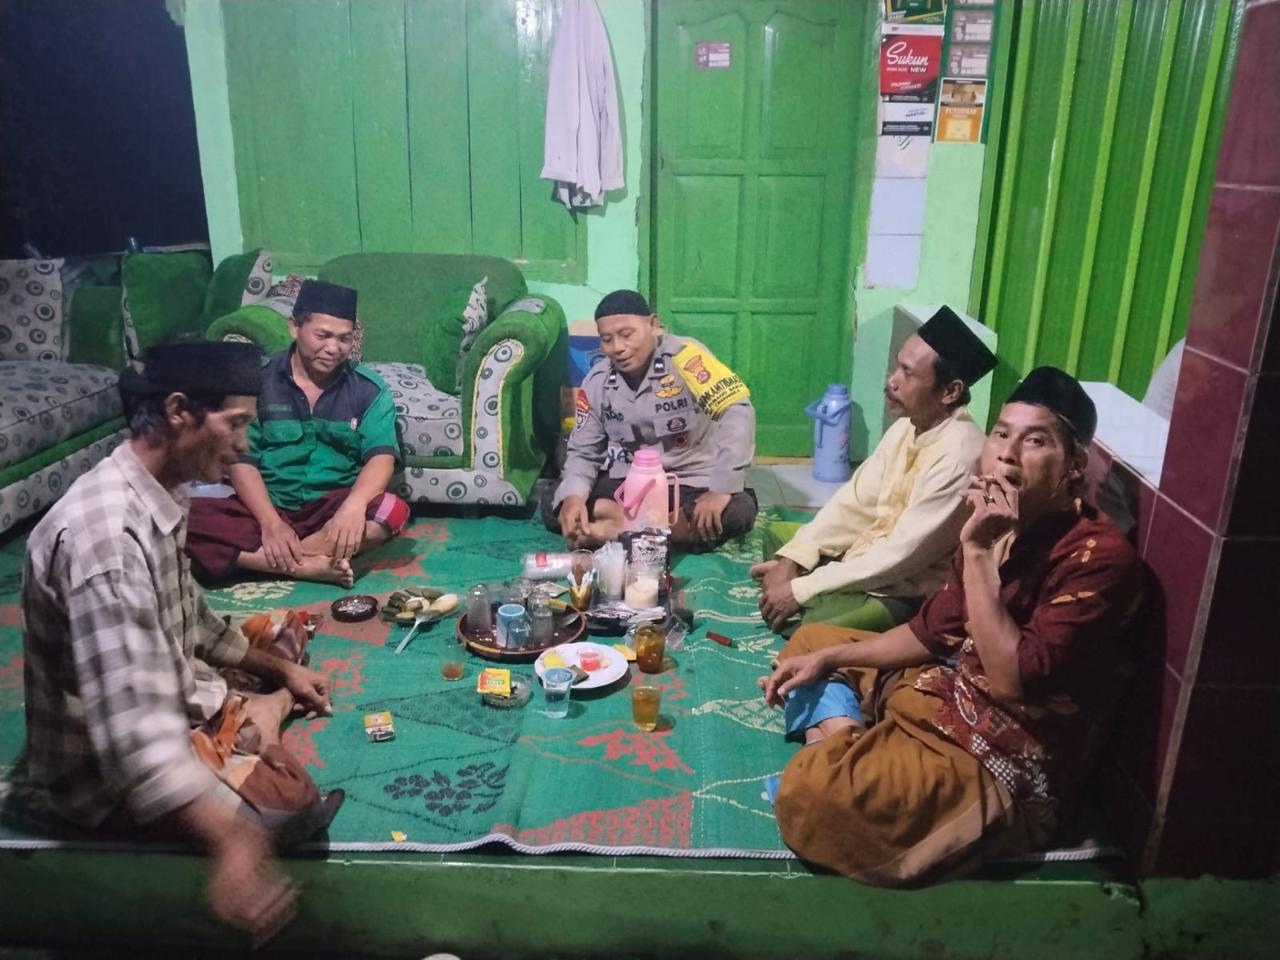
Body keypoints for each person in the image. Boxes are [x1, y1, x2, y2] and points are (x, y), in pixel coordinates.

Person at [759, 367, 1144, 886]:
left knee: (815, 797)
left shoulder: (1097, 559)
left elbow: (1010, 681)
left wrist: (978, 550)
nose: (1008, 455)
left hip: (1003, 757)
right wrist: (830, 658)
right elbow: (929, 631)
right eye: (1001, 434)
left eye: (1035, 441)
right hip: (946, 687)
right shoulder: (996, 520)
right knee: (812, 643)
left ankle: (839, 744)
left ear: (1074, 465)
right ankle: (849, 739)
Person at [21, 340, 340, 940]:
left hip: (167, 686)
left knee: (282, 631)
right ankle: (256, 719)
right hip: (106, 774)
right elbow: (135, 736)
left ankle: (254, 709)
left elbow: (192, 617)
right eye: (236, 423)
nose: (244, 444)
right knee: (288, 806)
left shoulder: (162, 487)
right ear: (178, 411)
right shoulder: (105, 540)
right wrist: (233, 843)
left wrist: (281, 670)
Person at [751, 306, 997, 634]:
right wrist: (794, 559)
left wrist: (803, 586)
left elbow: (900, 557)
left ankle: (807, 600)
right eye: (897, 366)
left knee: (811, 628)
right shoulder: (909, 424)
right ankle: (800, 586)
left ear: (950, 392)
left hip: (905, 588)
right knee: (781, 539)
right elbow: (855, 503)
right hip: (865, 552)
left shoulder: (959, 457)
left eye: (908, 374)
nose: (891, 381)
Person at [186, 280, 409, 587]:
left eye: (344, 339)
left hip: (331, 509)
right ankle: (304, 566)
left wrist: (353, 507)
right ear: (295, 327)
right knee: (184, 517)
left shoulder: (369, 389)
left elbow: (381, 457)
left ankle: (276, 558)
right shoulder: (257, 382)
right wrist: (270, 523)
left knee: (391, 511)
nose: (333, 348)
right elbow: (241, 459)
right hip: (267, 505)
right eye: (322, 335)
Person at [540, 289, 758, 549]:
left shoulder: (687, 358)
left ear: (653, 325)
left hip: (692, 480)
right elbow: (584, 452)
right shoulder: (598, 381)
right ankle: (657, 530)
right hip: (632, 484)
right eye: (607, 339)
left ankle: (617, 529)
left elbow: (737, 410)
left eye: (626, 334)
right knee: (554, 500)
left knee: (738, 511)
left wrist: (721, 490)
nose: (617, 347)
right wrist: (574, 498)